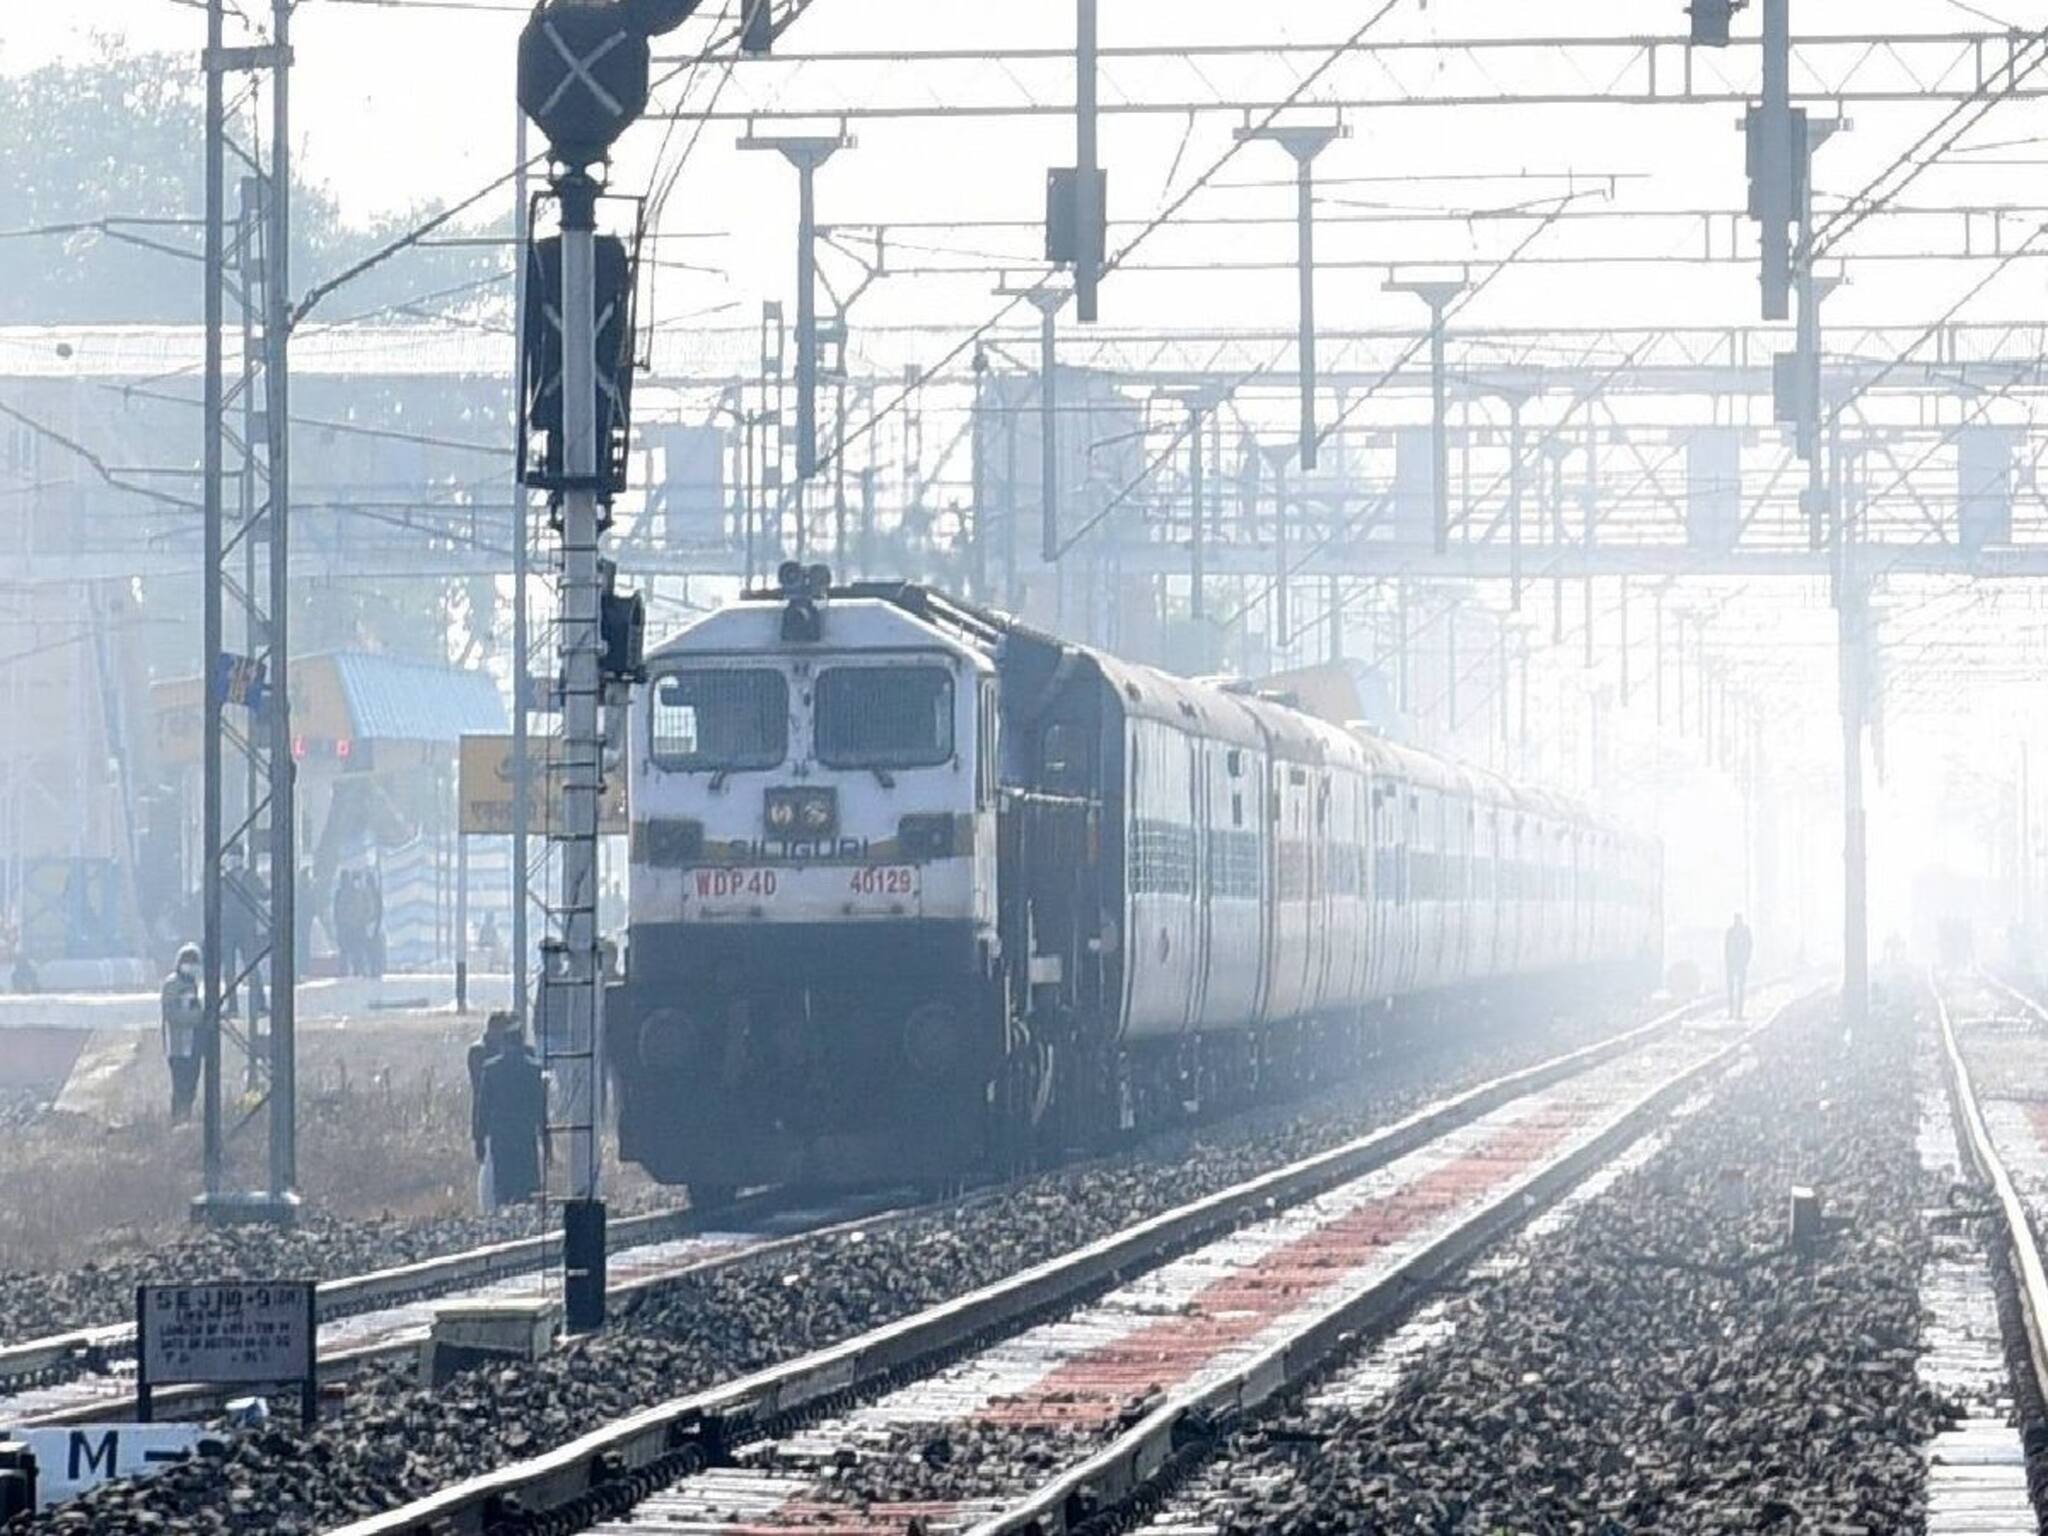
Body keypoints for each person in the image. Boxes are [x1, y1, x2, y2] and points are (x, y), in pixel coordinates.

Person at [475, 1016, 546, 1207]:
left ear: (504, 1043)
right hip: (525, 1134)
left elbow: (483, 1108)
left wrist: (479, 1140)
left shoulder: (491, 1069)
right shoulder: (533, 1069)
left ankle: (504, 1211)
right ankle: (525, 1212)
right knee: (527, 1183)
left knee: (503, 1185)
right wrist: (547, 1142)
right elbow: (540, 1108)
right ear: (521, 1042)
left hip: (501, 1136)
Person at [468, 1012, 517, 1211]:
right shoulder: (479, 1051)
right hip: (488, 1116)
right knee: (489, 1164)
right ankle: (487, 1207)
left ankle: (503, 1202)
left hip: (504, 1117)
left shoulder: (497, 1051)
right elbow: (481, 1085)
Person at [160, 943, 205, 1123]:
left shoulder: (193, 984)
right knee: (180, 1086)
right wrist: (197, 1017)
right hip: (178, 1046)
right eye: (187, 961)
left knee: (191, 1086)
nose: (191, 965)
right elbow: (171, 1015)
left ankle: (185, 1119)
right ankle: (177, 1120)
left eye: (194, 961)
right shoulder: (172, 984)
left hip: (194, 1045)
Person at [1724, 912, 1754, 1021]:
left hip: (1739, 964)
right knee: (1733, 989)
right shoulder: (1732, 932)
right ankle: (1733, 1012)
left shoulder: (1744, 932)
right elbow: (1726, 948)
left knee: (1739, 989)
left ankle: (1737, 1013)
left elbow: (1749, 946)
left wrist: (1746, 960)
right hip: (1733, 964)